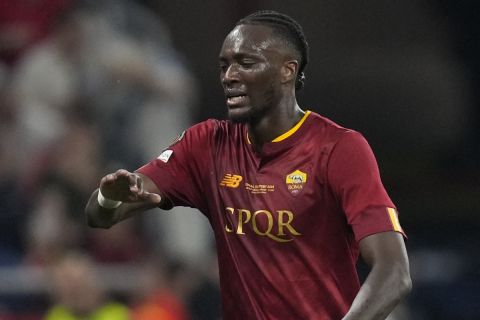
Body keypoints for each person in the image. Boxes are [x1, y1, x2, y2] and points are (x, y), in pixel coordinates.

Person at [86, 10, 411, 319]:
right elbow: (99, 216)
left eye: (246, 63)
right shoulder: (207, 145)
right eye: (224, 65)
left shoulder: (339, 149)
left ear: (288, 70)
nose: (229, 76)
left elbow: (395, 272)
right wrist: (109, 198)